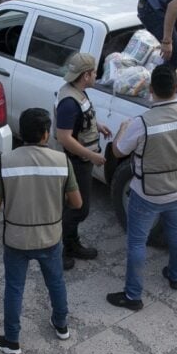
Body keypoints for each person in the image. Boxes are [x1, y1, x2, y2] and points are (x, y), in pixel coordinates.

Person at [106, 65, 177, 311]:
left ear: (151, 91)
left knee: (136, 242)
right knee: (176, 232)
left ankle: (133, 296)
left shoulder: (142, 123)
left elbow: (118, 151)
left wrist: (121, 130)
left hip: (147, 192)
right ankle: (175, 277)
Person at [0, 108, 81, 354]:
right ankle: (61, 325)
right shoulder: (61, 161)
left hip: (16, 240)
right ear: (46, 134)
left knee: (14, 287)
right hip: (50, 237)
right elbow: (76, 203)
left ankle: (12, 340)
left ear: (22, 134)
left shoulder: (7, 161)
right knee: (55, 282)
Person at [55, 53, 112, 270]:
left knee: (76, 207)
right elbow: (64, 137)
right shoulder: (69, 102)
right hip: (75, 162)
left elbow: (82, 121)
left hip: (81, 160)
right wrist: (92, 156)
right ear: (86, 75)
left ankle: (71, 244)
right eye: (95, 72)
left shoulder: (79, 93)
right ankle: (58, 250)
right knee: (79, 209)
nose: (97, 75)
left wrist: (98, 126)